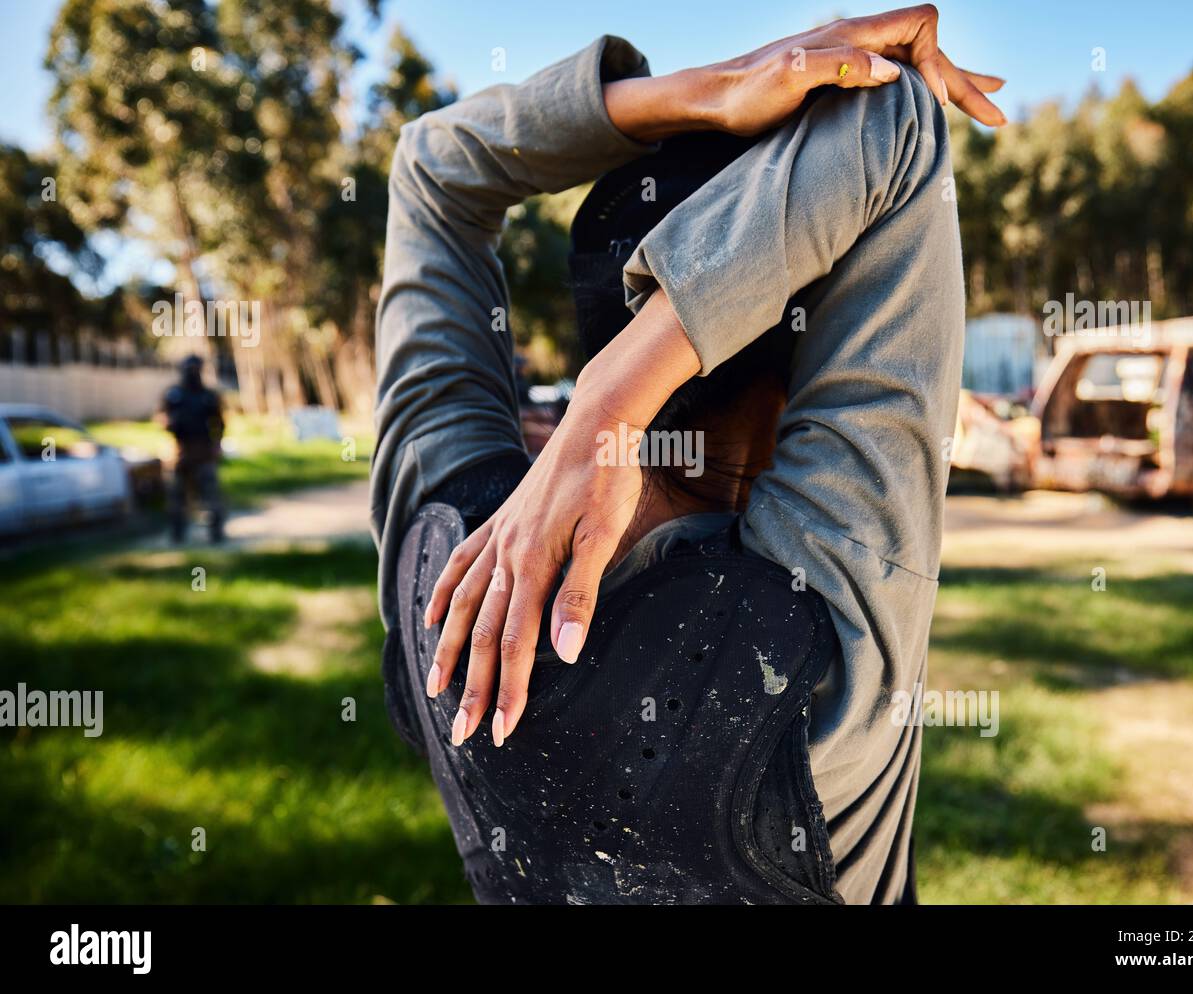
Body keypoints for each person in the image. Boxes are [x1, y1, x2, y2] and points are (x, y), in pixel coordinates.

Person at [372, 6, 1005, 903]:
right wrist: (612, 400)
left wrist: (706, 94)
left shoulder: (443, 556)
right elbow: (890, 115)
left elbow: (434, 170)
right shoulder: (819, 648)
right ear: (810, 363)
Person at [161, 354, 225, 544]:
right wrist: (169, 424)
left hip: (203, 452)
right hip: (180, 452)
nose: (192, 373)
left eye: (195, 369)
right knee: (176, 497)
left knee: (211, 496)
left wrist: (216, 445)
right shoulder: (174, 395)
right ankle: (177, 534)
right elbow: (161, 416)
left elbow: (219, 423)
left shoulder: (208, 396)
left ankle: (216, 534)